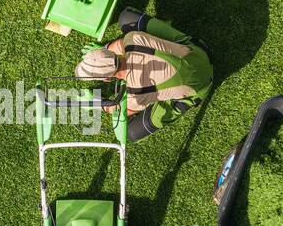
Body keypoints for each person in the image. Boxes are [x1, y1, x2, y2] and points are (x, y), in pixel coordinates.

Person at [73, 7, 213, 142]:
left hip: (201, 87)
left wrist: (97, 102)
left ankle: (185, 99)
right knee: (126, 18)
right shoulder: (133, 39)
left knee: (132, 132)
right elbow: (120, 45)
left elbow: (120, 109)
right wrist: (103, 50)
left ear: (107, 79)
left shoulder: (135, 95)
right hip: (199, 53)